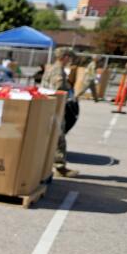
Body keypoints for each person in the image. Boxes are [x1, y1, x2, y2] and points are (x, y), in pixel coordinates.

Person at [41, 48, 79, 177]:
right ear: (64, 57)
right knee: (59, 138)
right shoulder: (58, 71)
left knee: (50, 138)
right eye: (69, 57)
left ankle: (47, 166)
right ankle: (59, 167)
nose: (70, 60)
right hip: (56, 108)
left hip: (48, 107)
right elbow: (58, 90)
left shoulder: (51, 68)